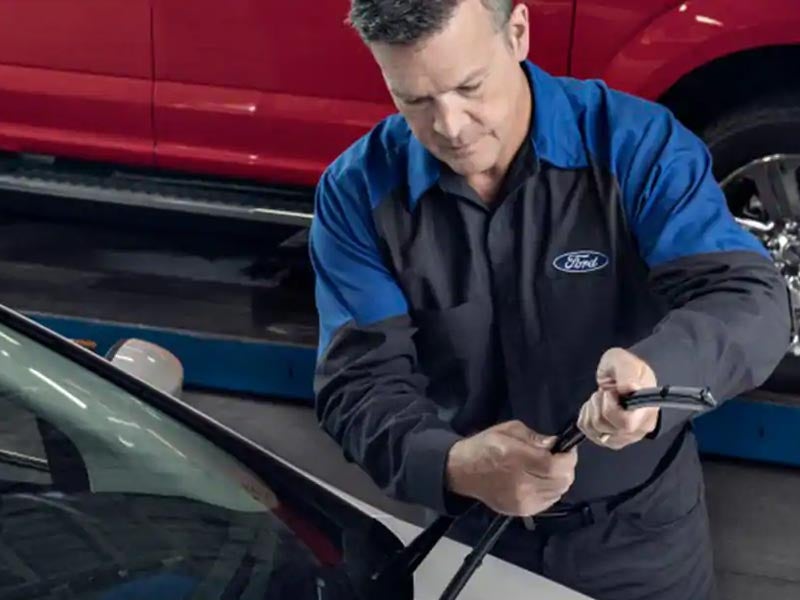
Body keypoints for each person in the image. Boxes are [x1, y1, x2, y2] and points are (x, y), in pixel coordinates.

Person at [308, 1, 793, 599]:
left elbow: (747, 296)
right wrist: (455, 464)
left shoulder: (635, 147)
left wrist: (656, 376)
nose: (451, 126)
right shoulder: (357, 194)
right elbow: (359, 383)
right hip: (473, 530)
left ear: (517, 32)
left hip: (640, 541)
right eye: (415, 101)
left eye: (469, 86)